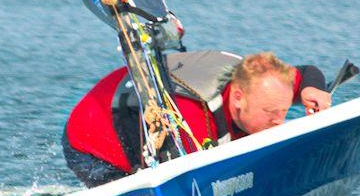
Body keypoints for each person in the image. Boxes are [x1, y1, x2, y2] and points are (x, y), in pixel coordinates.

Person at [63, 52, 332, 188]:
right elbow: (184, 185)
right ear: (238, 98)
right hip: (90, 141)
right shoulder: (192, 119)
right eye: (271, 113)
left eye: (284, 111)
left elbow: (306, 72)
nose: (279, 122)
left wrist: (312, 90)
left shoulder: (266, 85)